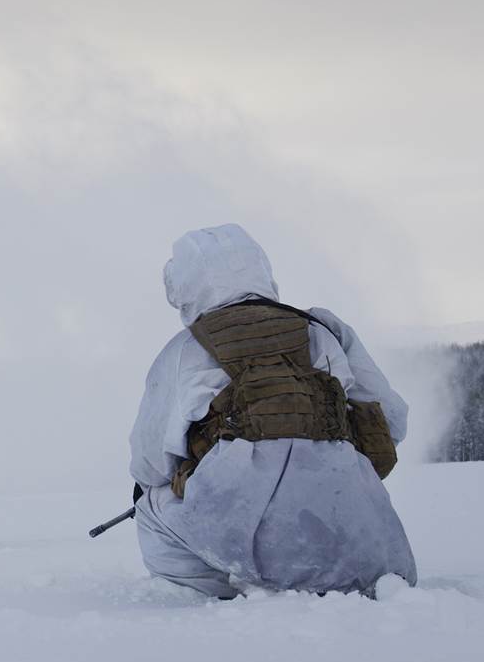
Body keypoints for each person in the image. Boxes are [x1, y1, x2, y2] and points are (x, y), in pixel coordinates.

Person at [128, 224, 417, 598]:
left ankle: (207, 596)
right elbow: (391, 421)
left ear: (185, 287)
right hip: (370, 551)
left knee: (151, 507)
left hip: (256, 540)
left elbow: (150, 462)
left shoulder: (183, 351)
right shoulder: (323, 331)